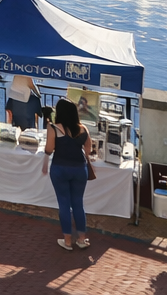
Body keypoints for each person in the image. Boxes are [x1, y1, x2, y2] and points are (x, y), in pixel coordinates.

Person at [42, 97, 92, 251]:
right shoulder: (83, 129)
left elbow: (49, 149)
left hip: (60, 168)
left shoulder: (53, 128)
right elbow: (88, 150)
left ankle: (68, 240)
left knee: (64, 204)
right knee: (78, 203)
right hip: (79, 169)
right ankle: (82, 239)